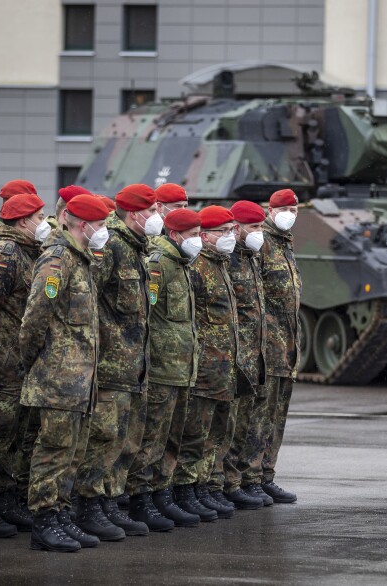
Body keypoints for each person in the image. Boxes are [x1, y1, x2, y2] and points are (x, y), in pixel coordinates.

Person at [20, 193, 112, 552]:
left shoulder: (81, 259)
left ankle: (60, 514)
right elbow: (34, 318)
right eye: (101, 224)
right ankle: (44, 521)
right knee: (53, 450)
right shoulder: (57, 260)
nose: (104, 230)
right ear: (82, 225)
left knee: (72, 451)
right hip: (58, 377)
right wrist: (34, 364)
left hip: (79, 378)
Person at [73, 184, 156, 538]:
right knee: (103, 438)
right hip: (110, 364)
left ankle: (109, 501)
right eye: (151, 210)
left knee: (126, 438)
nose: (156, 217)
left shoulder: (137, 248)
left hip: (133, 365)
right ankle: (88, 505)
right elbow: (88, 298)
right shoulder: (112, 247)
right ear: (135, 214)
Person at [0, 194, 50, 538]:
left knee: (14, 434)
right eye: (38, 216)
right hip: (2, 361)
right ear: (22, 221)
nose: (43, 222)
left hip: (22, 361)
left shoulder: (30, 251)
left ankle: (4, 498)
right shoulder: (5, 254)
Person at [125, 208, 203, 529]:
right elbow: (146, 315)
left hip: (181, 367)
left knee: (172, 437)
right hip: (160, 367)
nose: (199, 239)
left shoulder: (182, 264)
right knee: (151, 437)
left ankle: (161, 494)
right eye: (194, 233)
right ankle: (140, 498)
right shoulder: (159, 265)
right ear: (176, 234)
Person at [173, 205, 239, 520]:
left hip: (222, 367)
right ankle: (186, 490)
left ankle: (203, 488)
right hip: (203, 367)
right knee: (194, 434)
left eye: (232, 230)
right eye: (222, 232)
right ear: (205, 235)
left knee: (215, 432)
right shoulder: (198, 267)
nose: (230, 237)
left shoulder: (220, 264)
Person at [221, 200, 270, 509]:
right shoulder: (227, 259)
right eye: (254, 227)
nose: (259, 233)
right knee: (229, 422)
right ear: (237, 228)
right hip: (233, 353)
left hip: (255, 352)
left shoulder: (250, 257)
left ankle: (239, 479)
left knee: (248, 421)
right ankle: (224, 483)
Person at [258, 188, 302, 504]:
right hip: (266, 345)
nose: (290, 214)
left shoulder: (285, 244)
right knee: (259, 416)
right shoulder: (260, 243)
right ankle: (248, 478)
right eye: (285, 208)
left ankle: (265, 476)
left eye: (295, 209)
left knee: (276, 416)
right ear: (270, 210)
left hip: (286, 346)